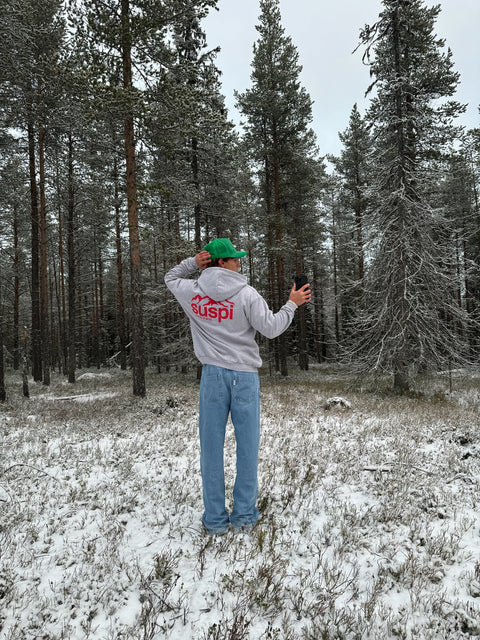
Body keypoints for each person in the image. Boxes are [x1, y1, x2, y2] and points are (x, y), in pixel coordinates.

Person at [164, 238, 311, 535]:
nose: (238, 262)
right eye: (233, 258)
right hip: (244, 377)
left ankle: (216, 521)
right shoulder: (247, 294)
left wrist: (194, 263)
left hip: (213, 377)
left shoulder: (192, 292)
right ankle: (243, 517)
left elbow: (170, 277)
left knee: (211, 449)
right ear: (221, 262)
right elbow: (270, 328)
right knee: (247, 448)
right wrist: (291, 305)